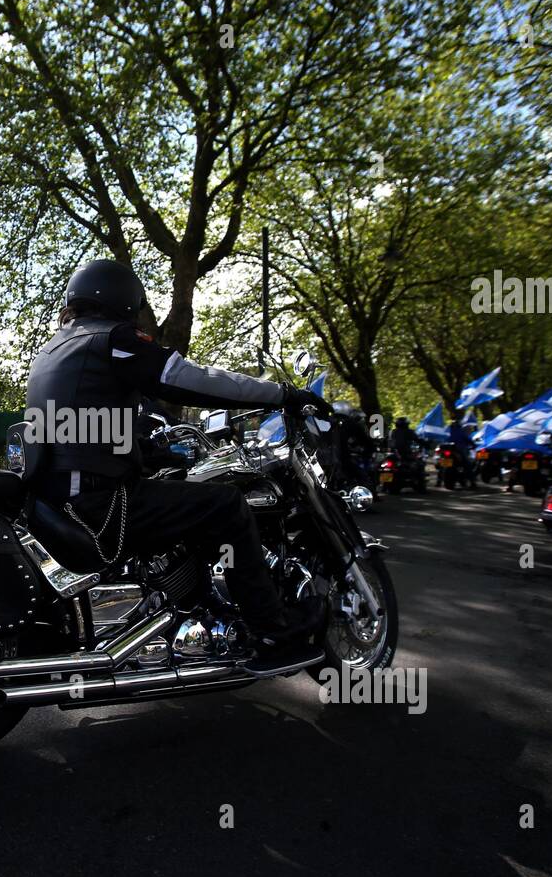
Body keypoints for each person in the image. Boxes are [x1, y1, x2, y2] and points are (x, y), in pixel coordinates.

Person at [26, 259, 328, 673]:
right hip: (100, 504)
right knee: (226, 506)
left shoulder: (54, 349)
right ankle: (271, 632)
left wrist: (147, 451)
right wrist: (282, 395)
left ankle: (198, 606)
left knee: (182, 493)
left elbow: (81, 422)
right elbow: (190, 378)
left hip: (62, 498)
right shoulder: (115, 339)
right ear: (125, 301)